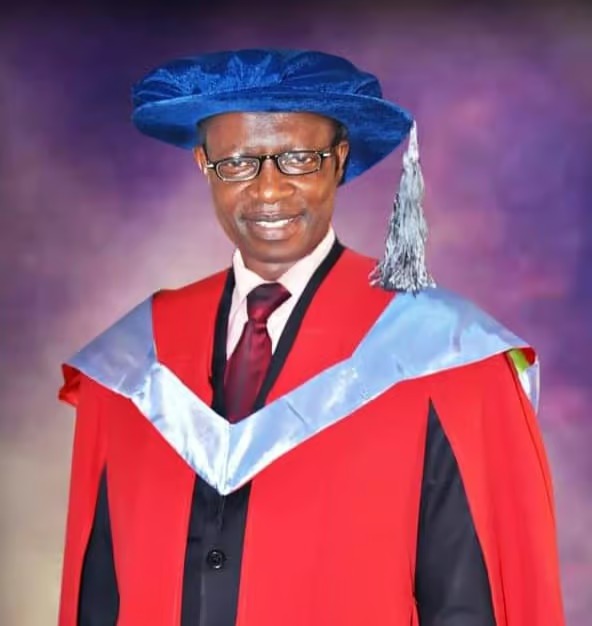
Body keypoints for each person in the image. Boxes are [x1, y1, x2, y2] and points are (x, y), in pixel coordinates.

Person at [57, 49, 565, 626]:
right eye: (238, 162)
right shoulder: (134, 361)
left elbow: (467, 603)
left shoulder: (443, 356)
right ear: (204, 164)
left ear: (339, 161)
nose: (269, 191)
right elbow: (99, 596)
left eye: (299, 158)